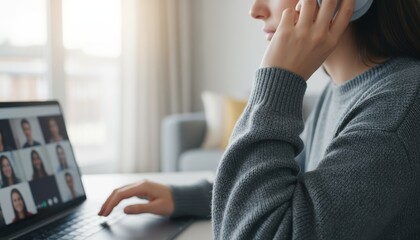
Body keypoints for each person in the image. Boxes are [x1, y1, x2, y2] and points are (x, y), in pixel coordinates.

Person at [99, 0, 420, 239]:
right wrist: (182, 197)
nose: (255, 9)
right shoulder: (340, 91)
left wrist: (279, 77)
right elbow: (288, 187)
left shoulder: (396, 108)